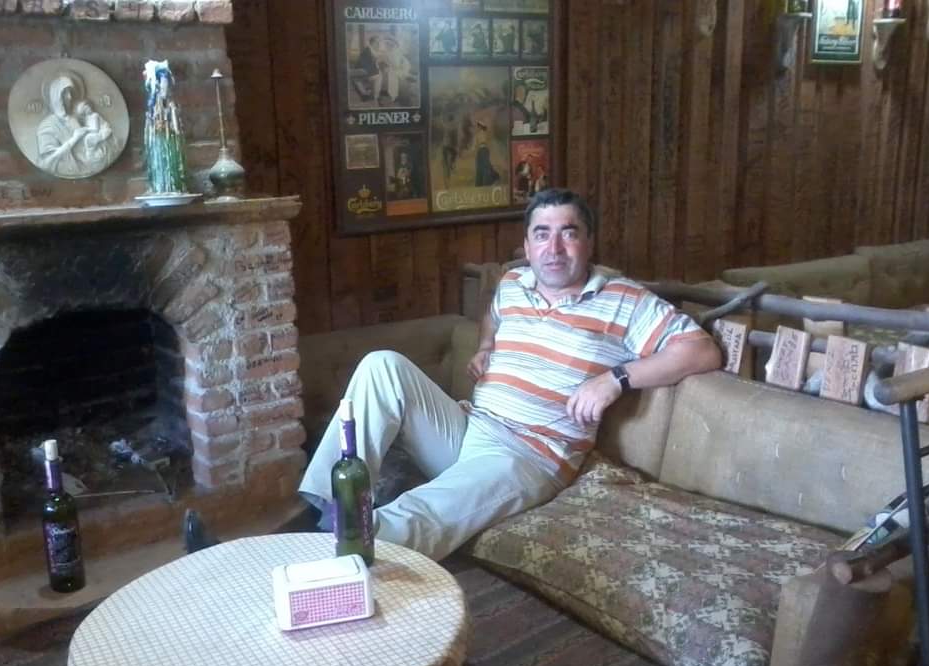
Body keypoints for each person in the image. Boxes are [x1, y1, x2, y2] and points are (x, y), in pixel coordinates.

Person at [298, 188, 722, 560]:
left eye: (569, 233)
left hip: (529, 454)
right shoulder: (514, 282)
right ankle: (328, 509)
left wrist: (615, 379)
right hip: (469, 428)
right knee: (382, 365)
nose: (554, 248)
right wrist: (486, 346)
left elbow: (703, 350)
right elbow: (493, 316)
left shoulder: (625, 300)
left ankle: (349, 559)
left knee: (420, 512)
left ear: (589, 242)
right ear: (527, 245)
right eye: (542, 234)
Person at [36, 72, 94, 178]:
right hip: (67, 171)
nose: (70, 97)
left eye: (71, 92)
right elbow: (46, 162)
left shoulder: (73, 120)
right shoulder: (47, 125)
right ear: (56, 97)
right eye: (65, 93)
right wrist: (74, 139)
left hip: (86, 168)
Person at [73, 100, 115, 174]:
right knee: (84, 138)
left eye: (88, 107)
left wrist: (86, 129)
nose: (88, 109)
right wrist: (84, 130)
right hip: (95, 133)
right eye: (85, 109)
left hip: (102, 132)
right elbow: (90, 128)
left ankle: (92, 156)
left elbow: (95, 129)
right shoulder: (87, 118)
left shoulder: (95, 115)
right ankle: (91, 155)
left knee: (88, 138)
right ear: (84, 112)